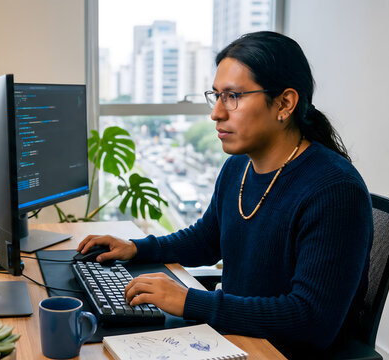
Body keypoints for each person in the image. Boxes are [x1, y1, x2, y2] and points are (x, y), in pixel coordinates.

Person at [77, 31, 372, 358]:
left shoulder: (334, 190)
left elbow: (311, 320)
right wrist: (137, 248)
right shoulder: (239, 168)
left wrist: (189, 300)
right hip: (234, 339)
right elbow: (208, 238)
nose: (216, 113)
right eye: (216, 95)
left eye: (232, 96)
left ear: (285, 103)